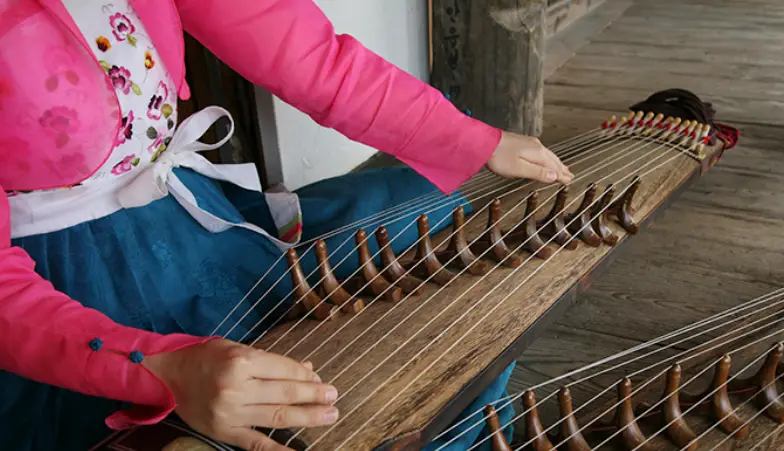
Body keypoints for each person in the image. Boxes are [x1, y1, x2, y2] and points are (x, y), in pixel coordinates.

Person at [0, 1, 574, 450]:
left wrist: (474, 140)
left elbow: (311, 57)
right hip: (69, 283)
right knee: (265, 408)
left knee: (444, 213)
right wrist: (158, 370)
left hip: (188, 214)